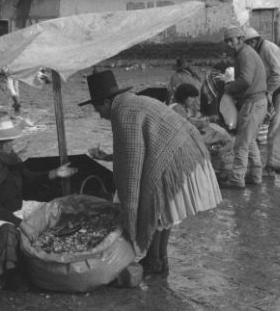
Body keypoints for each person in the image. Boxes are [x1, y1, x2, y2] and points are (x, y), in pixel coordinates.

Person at [81, 70, 221, 275]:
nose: (99, 115)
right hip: (186, 150)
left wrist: (129, 206)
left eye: (97, 109)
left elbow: (131, 162)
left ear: (105, 102)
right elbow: (135, 148)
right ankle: (161, 259)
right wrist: (107, 157)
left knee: (152, 210)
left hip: (176, 158)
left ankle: (153, 261)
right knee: (165, 216)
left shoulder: (123, 112)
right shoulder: (131, 102)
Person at [0, 111, 76, 290]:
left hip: (12, 208)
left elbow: (28, 177)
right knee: (7, 232)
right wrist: (23, 225)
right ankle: (0, 274)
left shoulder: (8, 157)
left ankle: (38, 258)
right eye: (10, 140)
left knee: (53, 210)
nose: (13, 143)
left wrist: (54, 173)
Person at [218, 25, 268, 189]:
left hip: (253, 103)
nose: (229, 44)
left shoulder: (245, 55)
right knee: (250, 140)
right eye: (227, 42)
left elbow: (245, 80)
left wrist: (229, 88)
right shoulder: (244, 53)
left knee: (241, 143)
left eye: (231, 41)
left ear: (240, 39)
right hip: (257, 102)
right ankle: (255, 175)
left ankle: (237, 180)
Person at [243, 27, 280, 176]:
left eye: (246, 45)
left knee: (277, 130)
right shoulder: (265, 48)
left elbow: (278, 75)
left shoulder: (267, 48)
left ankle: (273, 166)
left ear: (253, 41)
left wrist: (268, 92)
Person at [170, 83, 234, 182]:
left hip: (181, 139)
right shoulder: (177, 108)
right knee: (224, 140)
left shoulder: (180, 107)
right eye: (191, 98)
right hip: (178, 142)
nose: (194, 101)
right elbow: (186, 126)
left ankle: (217, 170)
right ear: (184, 97)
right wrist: (203, 123)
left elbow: (189, 122)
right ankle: (220, 171)